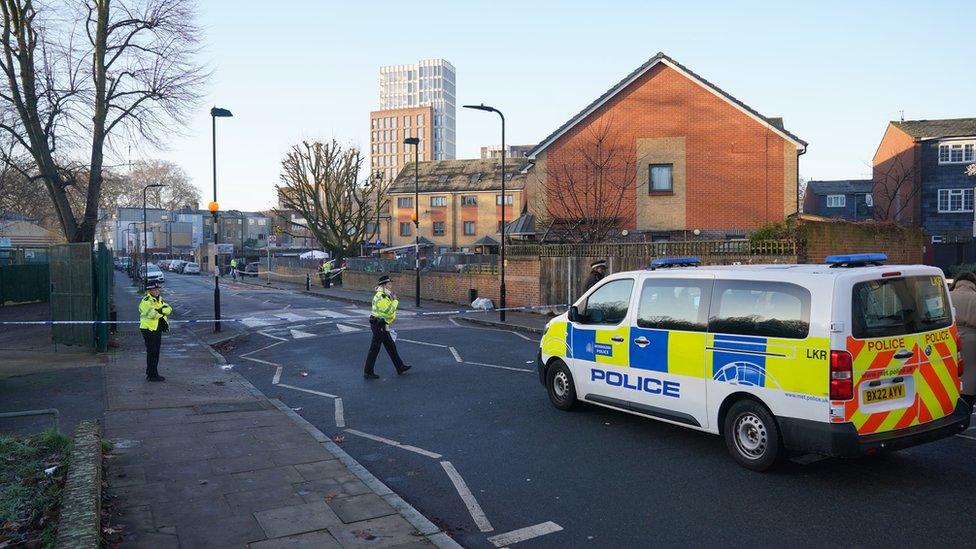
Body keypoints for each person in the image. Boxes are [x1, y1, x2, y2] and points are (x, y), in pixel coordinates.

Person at [363, 275, 411, 379]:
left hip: (381, 324)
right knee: (374, 349)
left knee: (391, 346)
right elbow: (389, 312)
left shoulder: (384, 295)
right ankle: (368, 371)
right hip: (378, 325)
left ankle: (400, 366)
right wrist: (395, 301)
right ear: (384, 285)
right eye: (389, 284)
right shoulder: (382, 296)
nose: (391, 285)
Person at [950, 271, 976, 407]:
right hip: (972, 342)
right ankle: (967, 403)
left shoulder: (947, 296)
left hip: (947, 339)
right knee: (969, 375)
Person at [139, 282, 172, 382]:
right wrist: (161, 311)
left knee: (156, 352)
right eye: (154, 290)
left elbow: (169, 309)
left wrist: (160, 311)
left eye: (158, 289)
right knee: (152, 351)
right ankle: (152, 375)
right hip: (148, 329)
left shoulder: (159, 300)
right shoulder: (146, 301)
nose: (157, 291)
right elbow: (153, 315)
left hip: (157, 328)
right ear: (149, 291)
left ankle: (152, 373)